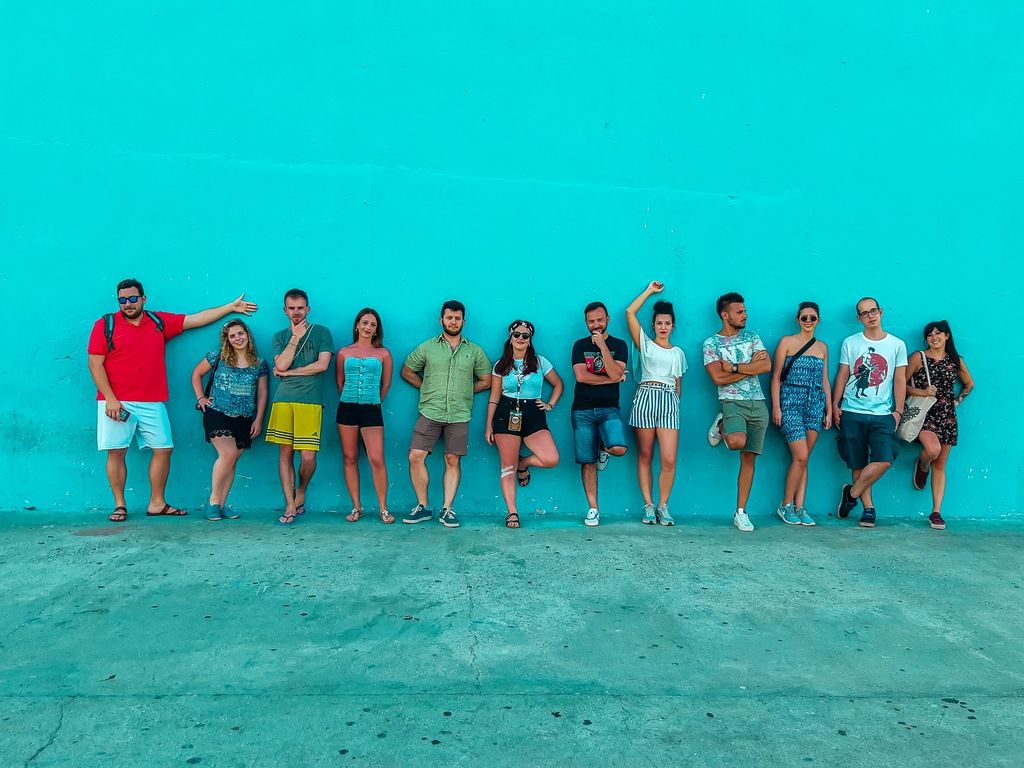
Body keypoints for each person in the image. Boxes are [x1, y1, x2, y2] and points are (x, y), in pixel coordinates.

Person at [87, 278, 258, 522]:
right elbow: (95, 363)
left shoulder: (158, 322)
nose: (128, 303)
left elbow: (195, 319)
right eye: (123, 300)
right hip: (116, 401)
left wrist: (230, 308)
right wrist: (111, 399)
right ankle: (119, 505)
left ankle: (157, 503)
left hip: (152, 400)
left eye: (133, 298)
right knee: (116, 452)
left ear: (143, 298)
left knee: (164, 449)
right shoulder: (106, 324)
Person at [401, 300, 491, 528]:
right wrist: (425, 387)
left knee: (452, 459)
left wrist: (465, 390)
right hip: (430, 410)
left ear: (463, 321)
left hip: (460, 414)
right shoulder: (427, 347)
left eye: (457, 318)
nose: (453, 321)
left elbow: (487, 379)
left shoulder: (474, 351)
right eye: (449, 318)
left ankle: (447, 509)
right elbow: (407, 370)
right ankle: (422, 507)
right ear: (441, 320)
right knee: (415, 456)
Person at [833, 297, 908, 528]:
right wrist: (835, 404)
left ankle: (851, 494)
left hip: (883, 414)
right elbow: (844, 374)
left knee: (884, 460)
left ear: (881, 312)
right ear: (859, 318)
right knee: (857, 462)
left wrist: (898, 411)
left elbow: (899, 379)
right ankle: (868, 508)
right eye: (865, 313)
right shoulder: (851, 342)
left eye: (873, 310)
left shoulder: (897, 345)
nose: (870, 315)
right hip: (851, 411)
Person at [702, 292, 771, 532]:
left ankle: (741, 512)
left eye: (745, 311)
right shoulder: (712, 344)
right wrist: (751, 369)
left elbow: (766, 365)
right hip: (731, 403)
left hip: (758, 404)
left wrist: (733, 367)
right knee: (735, 442)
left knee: (749, 458)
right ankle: (722, 425)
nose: (745, 315)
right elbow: (718, 378)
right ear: (725, 314)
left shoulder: (752, 336)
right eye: (739, 312)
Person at [484, 320, 563, 529]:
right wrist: (488, 426)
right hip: (506, 412)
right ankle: (512, 512)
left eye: (525, 336)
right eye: (516, 334)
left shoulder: (540, 362)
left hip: (533, 414)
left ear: (530, 340)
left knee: (551, 458)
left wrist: (550, 404)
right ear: (510, 338)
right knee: (507, 467)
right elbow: (493, 397)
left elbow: (558, 384)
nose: (520, 338)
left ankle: (524, 463)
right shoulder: (500, 365)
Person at [266, 289, 334, 525]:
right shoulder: (280, 337)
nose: (296, 312)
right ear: (285, 311)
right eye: (292, 308)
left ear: (308, 309)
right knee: (285, 454)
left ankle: (301, 490)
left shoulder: (322, 332)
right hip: (283, 399)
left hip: (310, 401)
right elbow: (281, 362)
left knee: (307, 457)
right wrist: (295, 337)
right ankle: (289, 504)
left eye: (300, 308)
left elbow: (322, 365)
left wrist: (289, 372)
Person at [192, 320, 269, 521]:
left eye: (240, 333)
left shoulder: (259, 363)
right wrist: (201, 398)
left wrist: (258, 419)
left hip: (245, 418)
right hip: (217, 412)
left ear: (248, 335)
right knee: (227, 454)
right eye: (232, 336)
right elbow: (196, 374)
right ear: (227, 339)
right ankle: (213, 502)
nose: (238, 338)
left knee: (232, 461)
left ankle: (222, 505)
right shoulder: (217, 357)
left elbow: (262, 393)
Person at [624, 281, 687, 526]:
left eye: (667, 323)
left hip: (669, 400)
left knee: (669, 458)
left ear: (673, 325)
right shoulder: (646, 345)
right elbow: (630, 312)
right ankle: (649, 505)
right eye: (659, 323)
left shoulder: (678, 353)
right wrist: (649, 291)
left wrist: (673, 404)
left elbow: (678, 384)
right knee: (645, 455)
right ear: (653, 325)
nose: (663, 327)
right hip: (646, 396)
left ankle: (664, 505)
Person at [905, 320, 974, 530]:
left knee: (941, 464)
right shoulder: (919, 357)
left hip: (947, 415)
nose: (934, 337)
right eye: (929, 334)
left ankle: (936, 512)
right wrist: (921, 392)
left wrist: (958, 400)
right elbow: (900, 384)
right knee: (932, 450)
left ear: (946, 336)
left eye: (938, 333)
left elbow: (969, 384)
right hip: (924, 413)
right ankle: (922, 465)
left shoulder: (956, 361)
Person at [769, 302, 832, 526]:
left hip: (815, 403)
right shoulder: (786, 342)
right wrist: (777, 407)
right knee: (801, 456)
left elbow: (824, 380)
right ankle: (785, 505)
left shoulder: (822, 347)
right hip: (791, 402)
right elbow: (776, 376)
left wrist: (829, 409)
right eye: (804, 317)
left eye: (812, 318)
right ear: (798, 320)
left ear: (818, 320)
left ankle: (800, 506)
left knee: (804, 459)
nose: (808, 321)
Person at [570, 301, 629, 527]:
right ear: (586, 322)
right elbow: (582, 377)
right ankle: (593, 508)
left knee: (619, 448)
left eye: (600, 320)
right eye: (591, 321)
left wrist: (603, 346)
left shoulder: (619, 345)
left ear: (607, 320)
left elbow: (617, 371)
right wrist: (613, 378)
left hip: (609, 409)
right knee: (587, 461)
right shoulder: (579, 345)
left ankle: (605, 449)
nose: (596, 325)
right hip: (582, 410)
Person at [336, 308, 394, 524]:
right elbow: (339, 382)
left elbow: (386, 384)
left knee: (376, 458)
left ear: (377, 329)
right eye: (365, 323)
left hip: (371, 408)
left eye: (373, 324)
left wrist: (373, 399)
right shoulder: (343, 352)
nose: (368, 327)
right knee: (350, 457)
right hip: (347, 408)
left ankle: (383, 508)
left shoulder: (384, 354)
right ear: (357, 325)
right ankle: (356, 507)